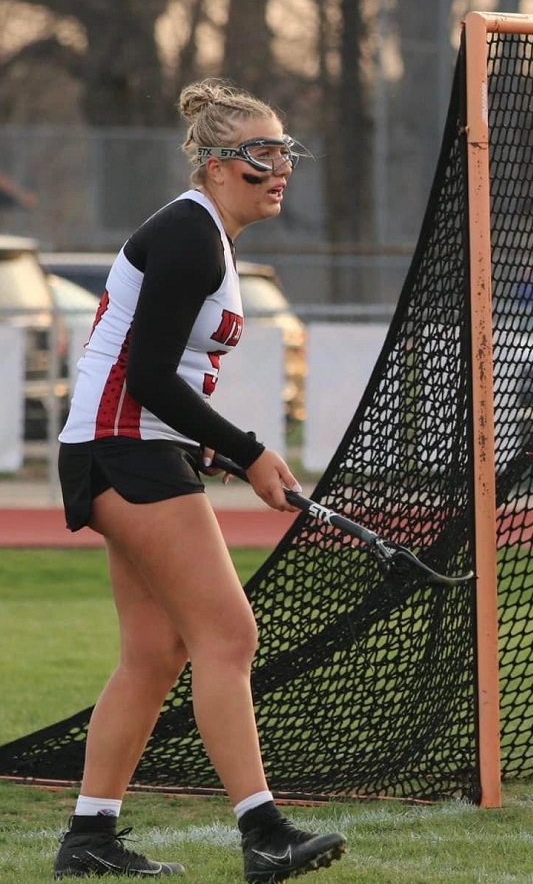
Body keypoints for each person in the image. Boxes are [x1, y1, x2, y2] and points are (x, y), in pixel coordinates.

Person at [51, 78, 347, 880]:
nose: (278, 167)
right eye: (259, 153)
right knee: (230, 634)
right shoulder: (190, 231)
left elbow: (154, 373)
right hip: (124, 445)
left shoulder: (210, 234)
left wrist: (218, 452)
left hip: (130, 444)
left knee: (155, 651)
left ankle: (89, 838)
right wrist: (249, 449)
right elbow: (146, 373)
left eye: (285, 150)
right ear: (215, 165)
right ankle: (264, 831)